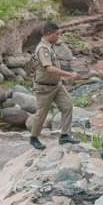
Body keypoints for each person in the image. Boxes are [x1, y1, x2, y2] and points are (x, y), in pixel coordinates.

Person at [30, 22, 81, 150]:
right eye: (56, 34)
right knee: (42, 113)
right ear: (49, 34)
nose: (58, 37)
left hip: (56, 85)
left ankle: (65, 134)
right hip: (44, 87)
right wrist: (69, 75)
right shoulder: (43, 49)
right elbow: (49, 68)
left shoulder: (50, 46)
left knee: (67, 105)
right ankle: (34, 137)